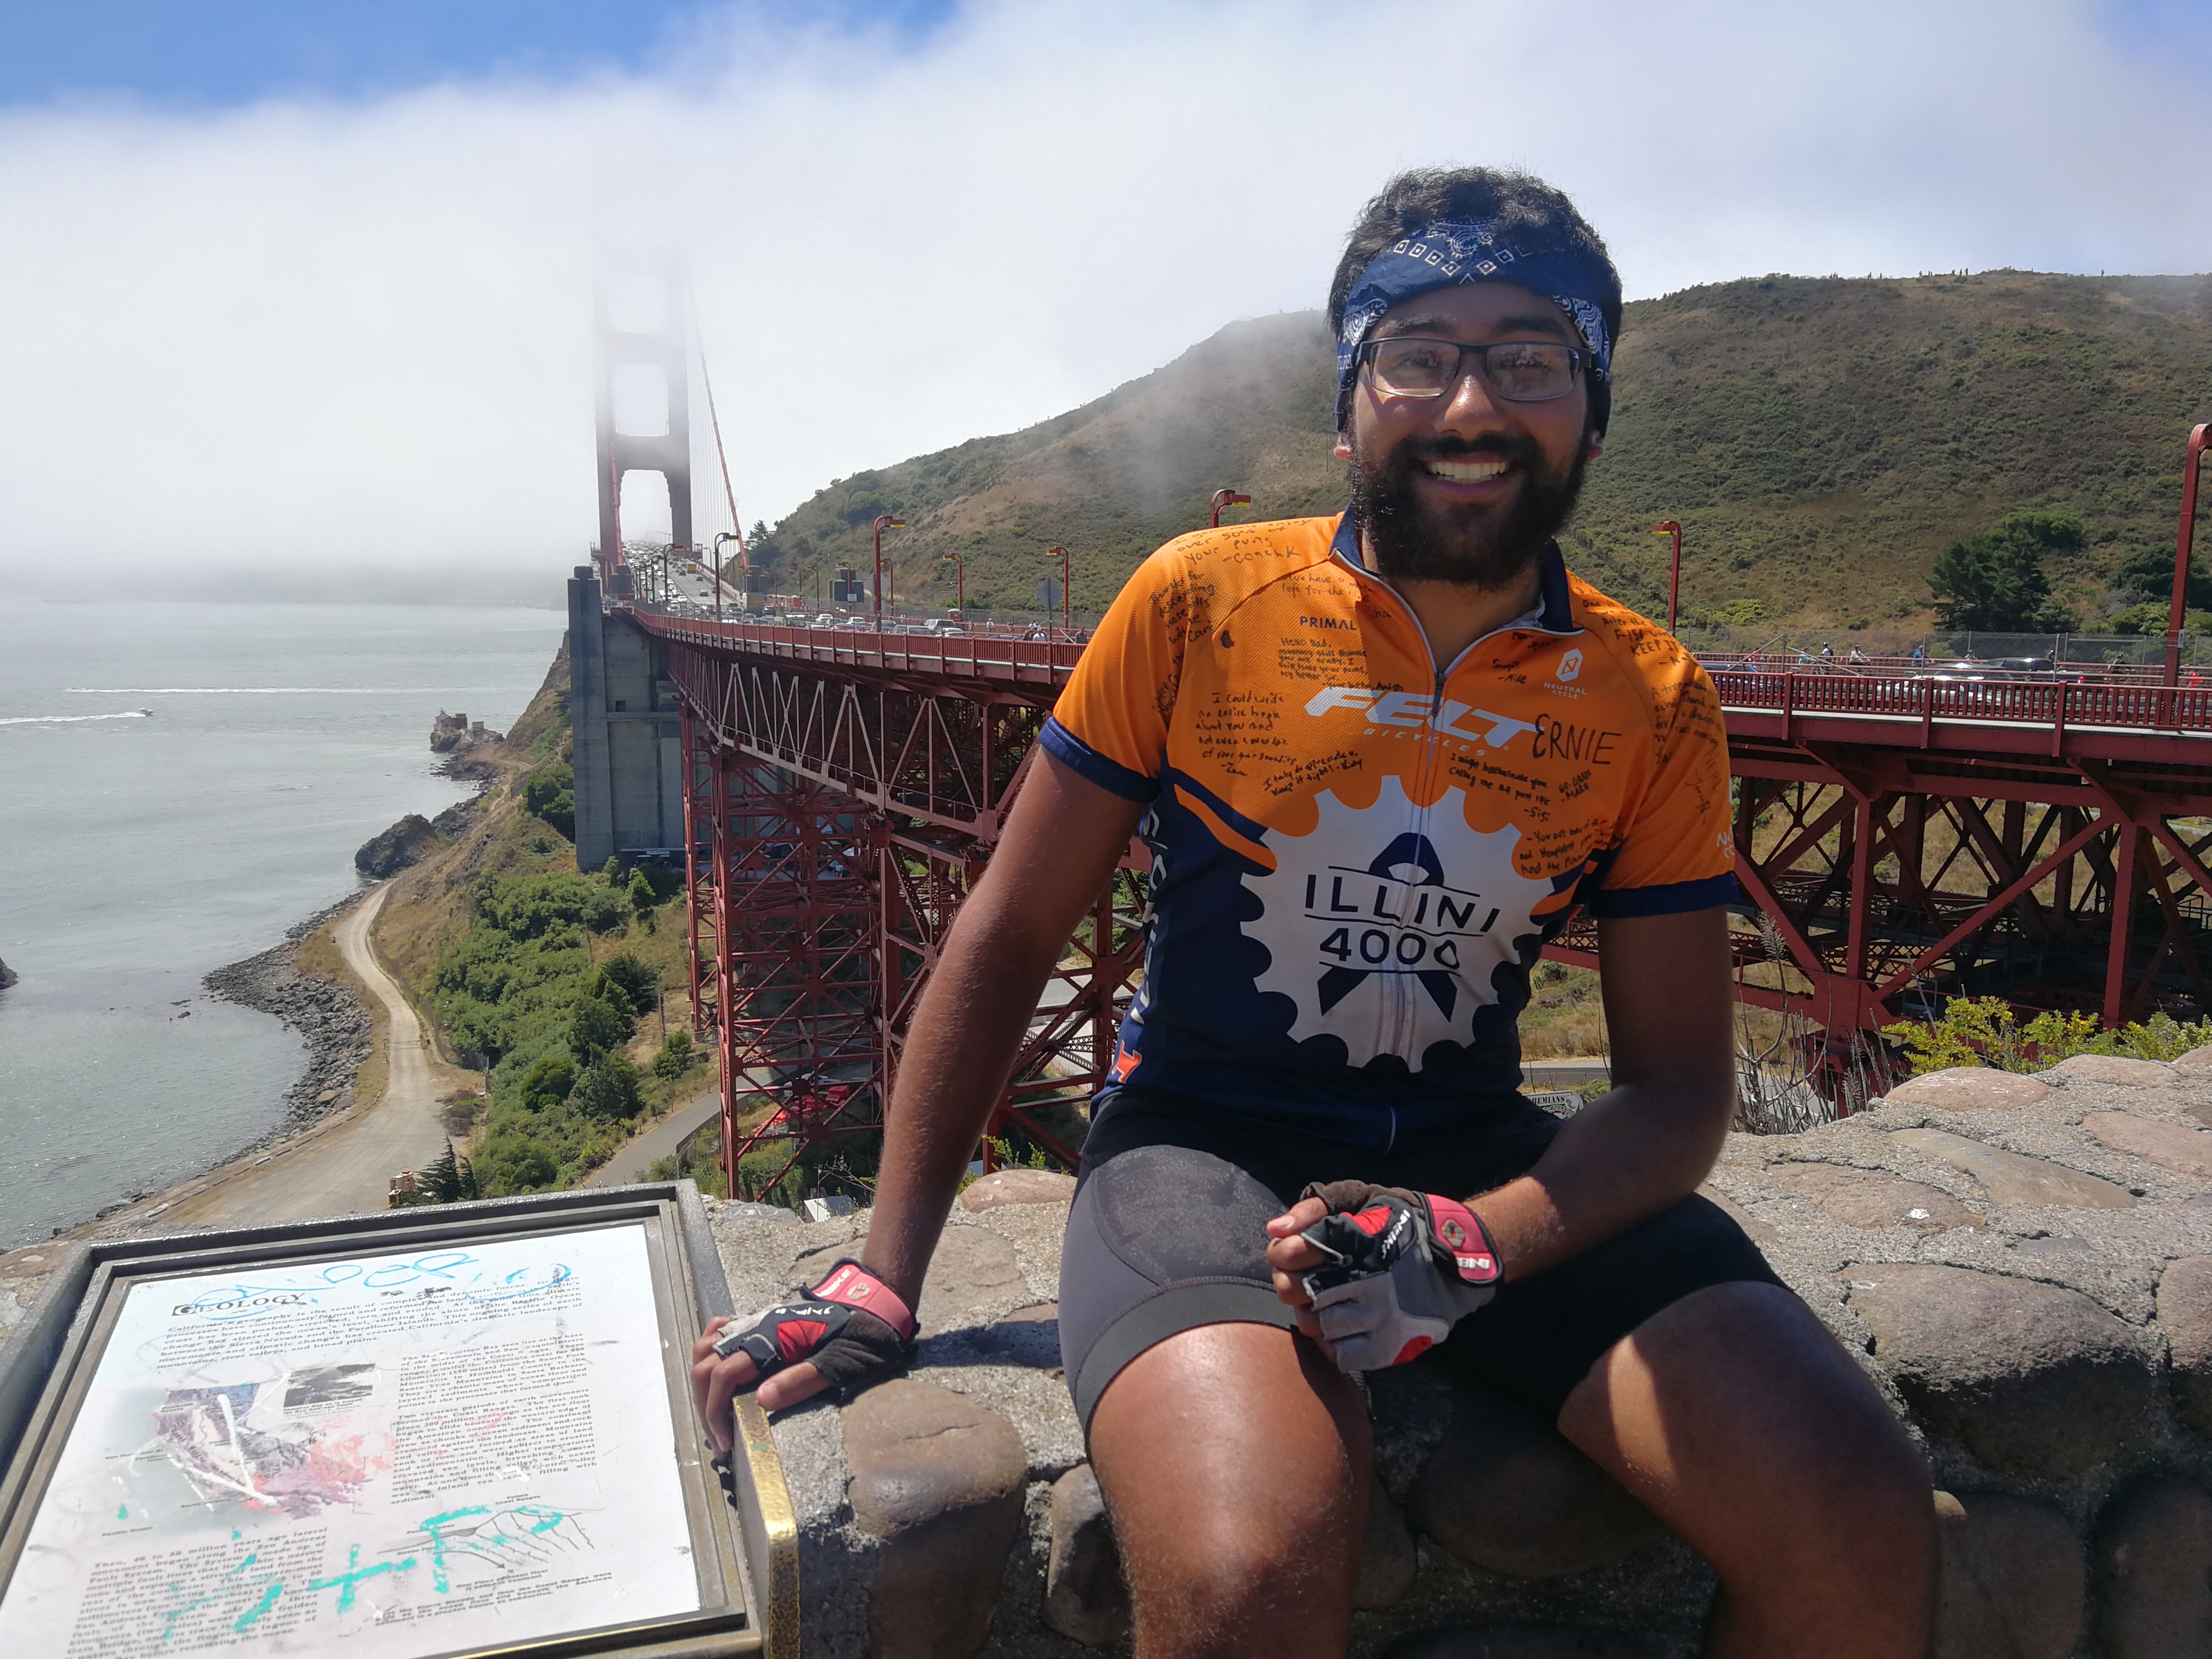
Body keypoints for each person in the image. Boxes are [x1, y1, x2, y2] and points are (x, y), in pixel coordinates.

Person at [692, 167, 1933, 1659]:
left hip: (1477, 1170)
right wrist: (881, 1271)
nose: (1471, 401)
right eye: (1417, 353)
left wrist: (1472, 1243)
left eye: (1531, 357)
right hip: (1199, 1151)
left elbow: (1675, 1095)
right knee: (1245, 1582)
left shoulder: (1651, 697)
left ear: (1593, 408)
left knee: (1863, 1520)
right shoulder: (1195, 604)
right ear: (1350, 401)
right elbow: (1011, 933)